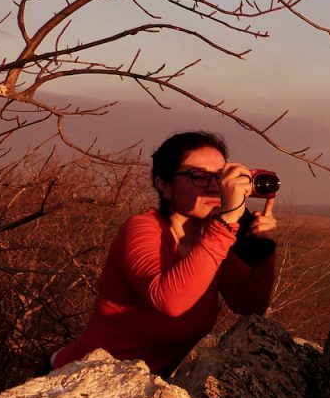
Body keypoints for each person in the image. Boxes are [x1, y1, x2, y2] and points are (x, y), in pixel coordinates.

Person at [52, 131, 277, 376]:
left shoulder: (212, 239)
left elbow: (248, 304)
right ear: (164, 185)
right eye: (199, 177)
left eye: (219, 177)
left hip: (139, 388)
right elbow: (170, 301)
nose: (214, 188)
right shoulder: (142, 229)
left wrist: (263, 250)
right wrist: (226, 221)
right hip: (76, 380)